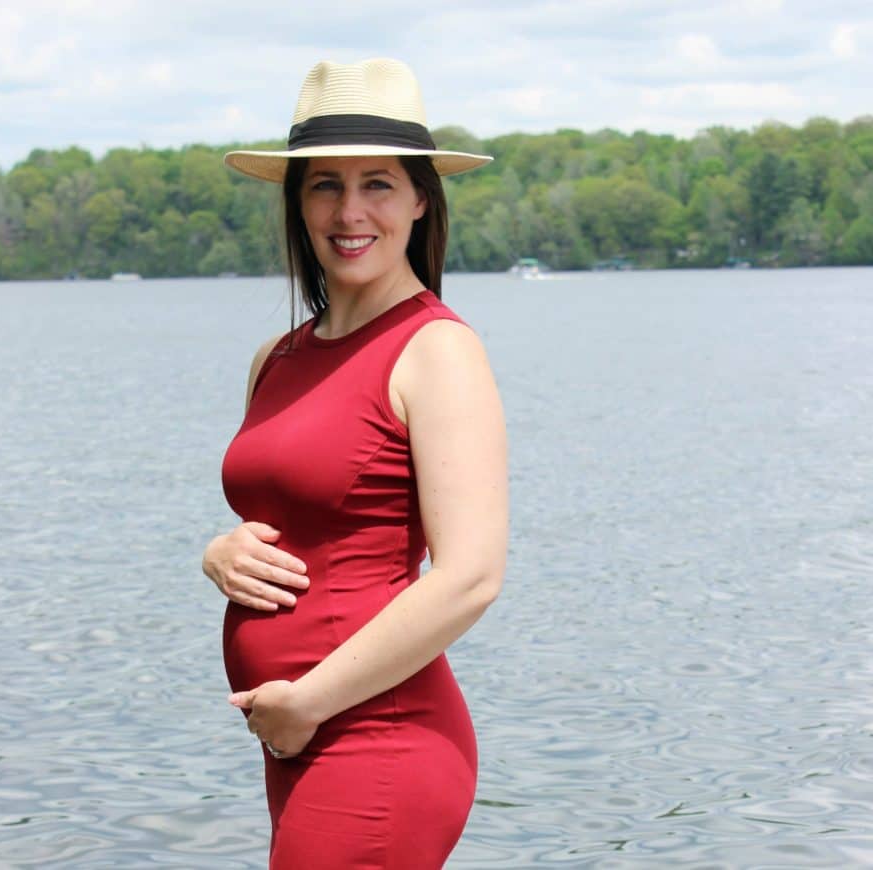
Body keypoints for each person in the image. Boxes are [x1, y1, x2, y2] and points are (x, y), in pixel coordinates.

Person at [201, 58, 508, 869]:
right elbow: (300, 516)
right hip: (295, 738)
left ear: (419, 199)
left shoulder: (436, 350)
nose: (349, 211)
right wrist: (220, 554)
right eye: (323, 186)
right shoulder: (279, 355)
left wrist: (308, 701)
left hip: (380, 734)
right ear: (297, 205)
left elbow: (471, 576)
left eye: (377, 183)